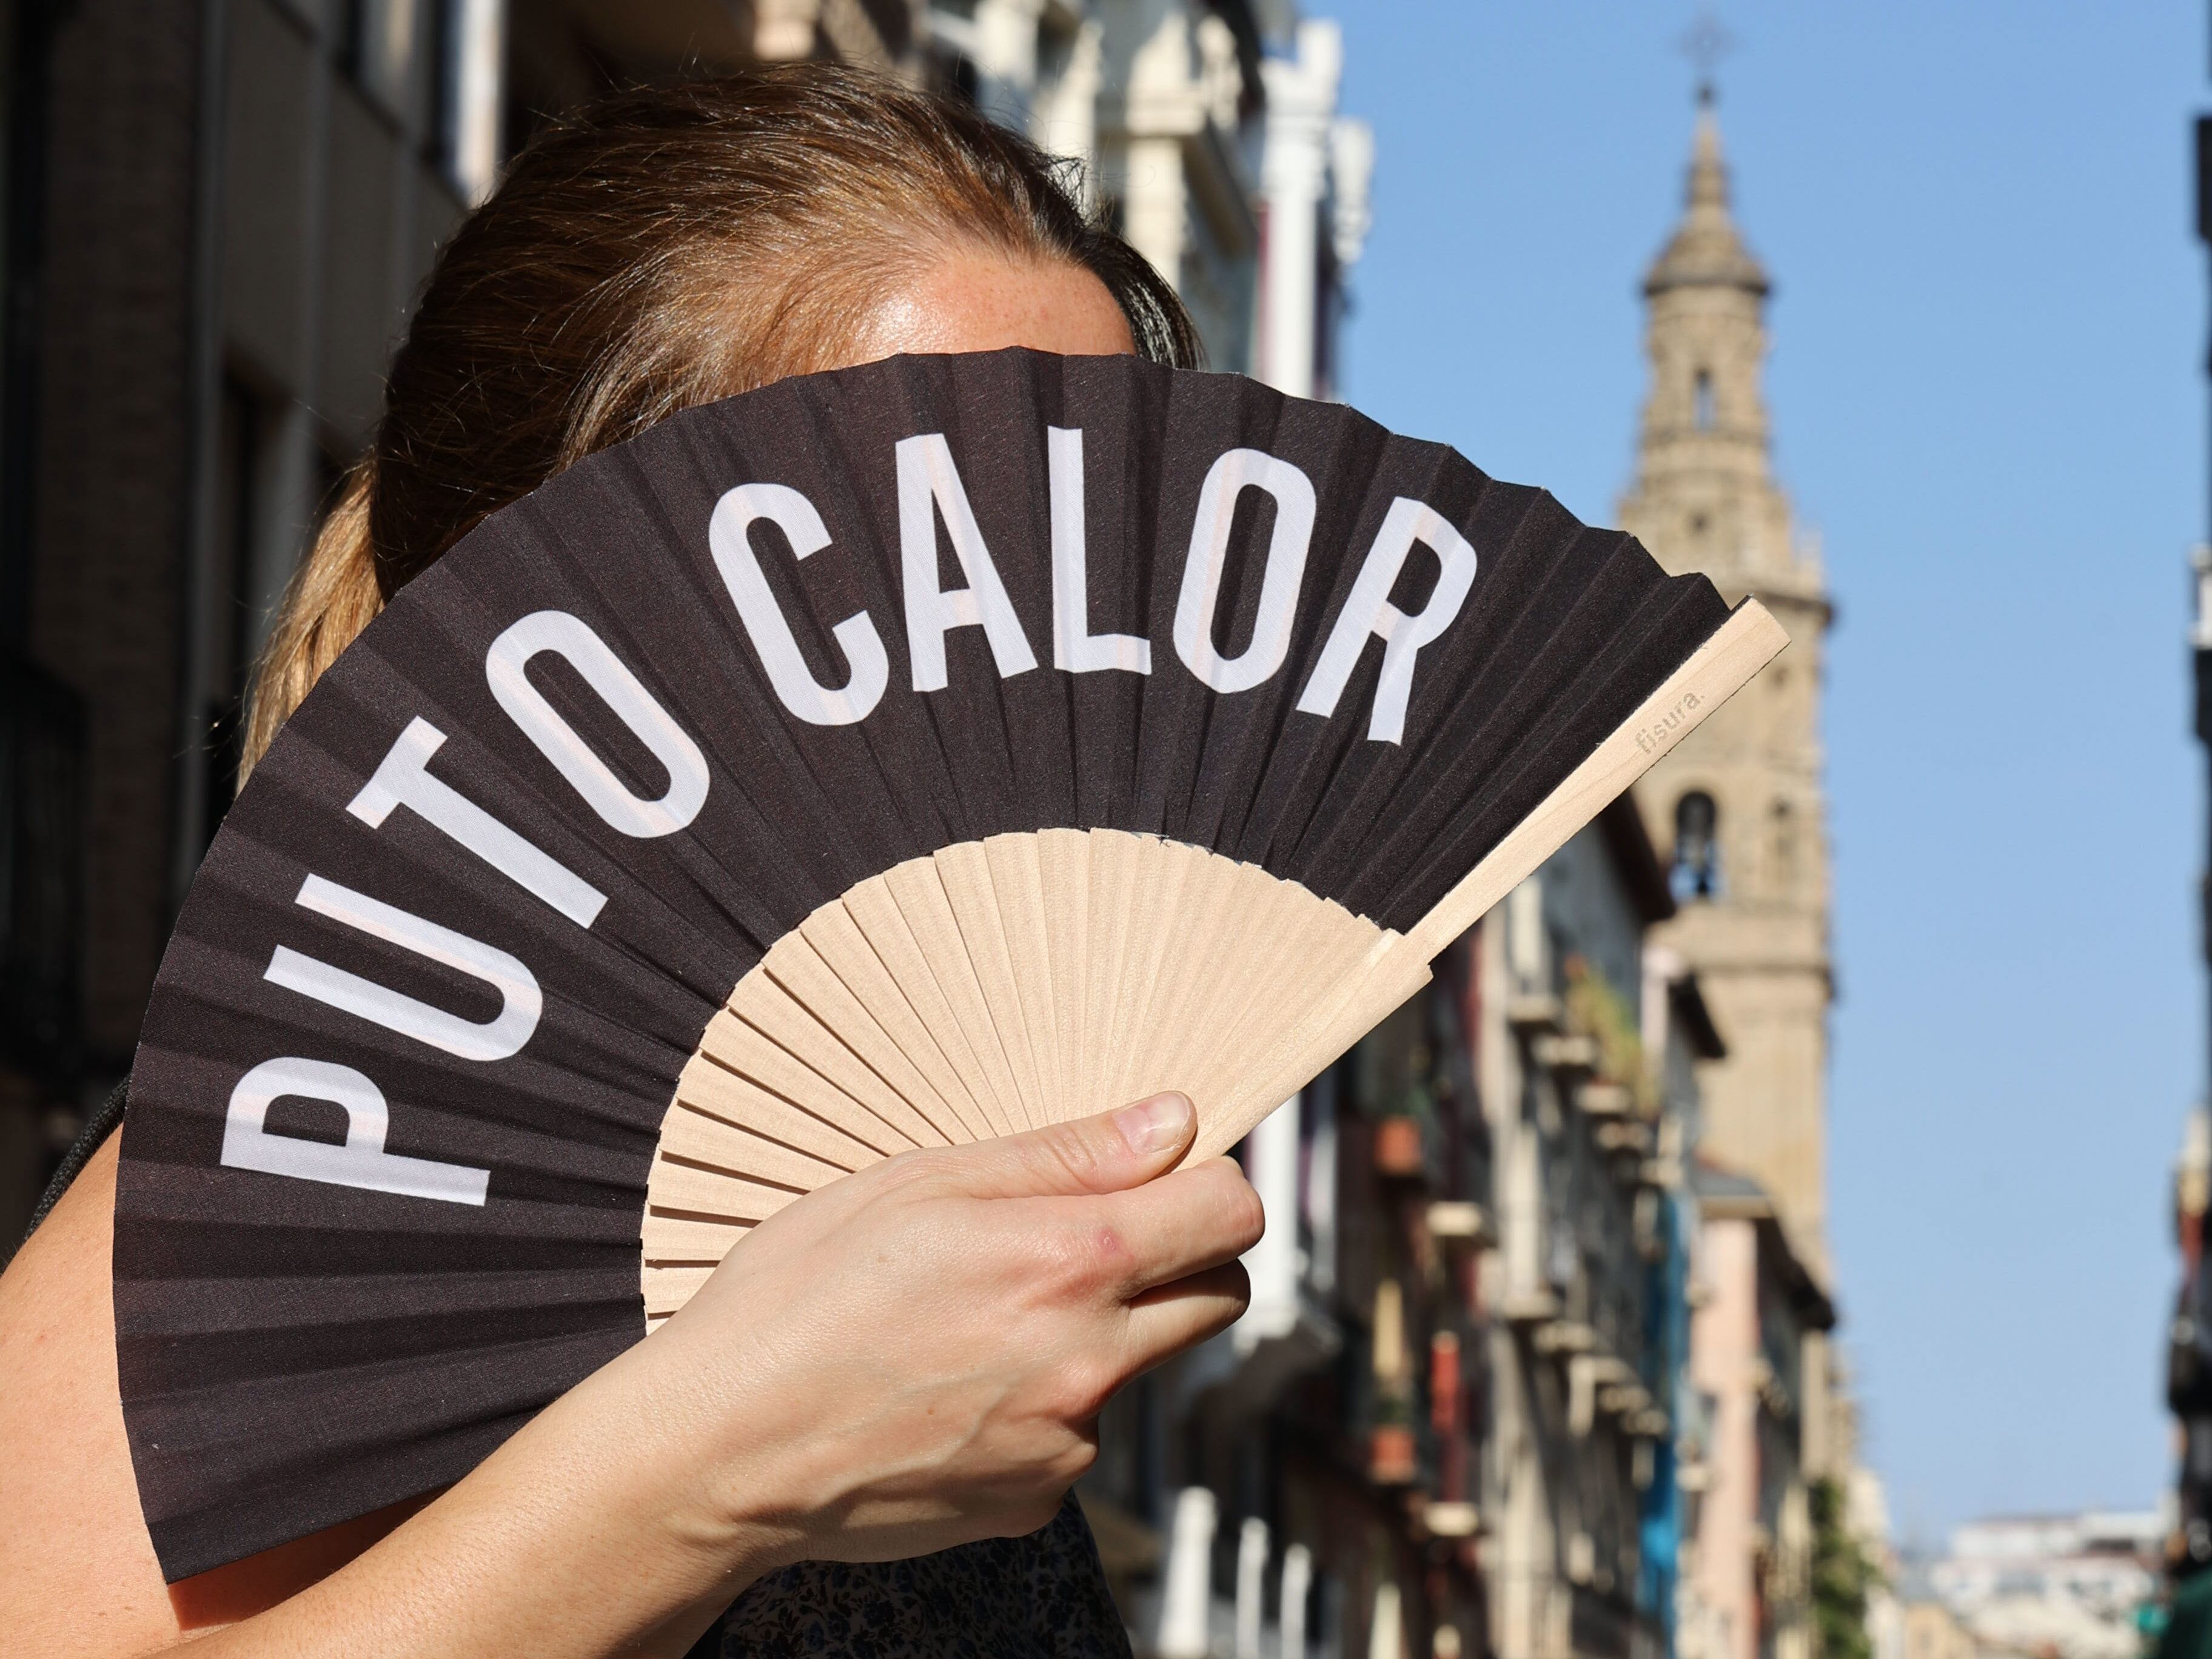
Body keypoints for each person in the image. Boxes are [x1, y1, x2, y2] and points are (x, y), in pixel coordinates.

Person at [0, 67, 1264, 1659]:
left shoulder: (917, 1228)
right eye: (945, 540)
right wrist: (726, 1457)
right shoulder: (315, 1168)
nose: (1048, 639)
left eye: (1104, 538)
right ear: (563, 592)